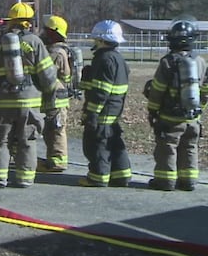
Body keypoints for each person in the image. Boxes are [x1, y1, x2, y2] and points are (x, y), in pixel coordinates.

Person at [0, 2, 57, 188]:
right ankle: (24, 178)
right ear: (28, 22)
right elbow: (48, 75)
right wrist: (47, 91)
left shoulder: (0, 43)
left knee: (1, 140)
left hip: (4, 101)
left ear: (11, 21)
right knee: (27, 140)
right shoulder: (35, 42)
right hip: (29, 101)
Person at [146, 18, 206, 191]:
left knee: (167, 148)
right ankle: (188, 181)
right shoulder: (200, 61)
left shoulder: (167, 62)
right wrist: (199, 110)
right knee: (190, 148)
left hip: (170, 118)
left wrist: (153, 110)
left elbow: (157, 90)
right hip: (193, 119)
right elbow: (205, 90)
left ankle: (165, 181)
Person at [79, 20, 132, 187]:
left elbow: (100, 91)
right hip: (115, 109)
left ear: (101, 40)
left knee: (97, 142)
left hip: (103, 110)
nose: (94, 42)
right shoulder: (118, 58)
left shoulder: (104, 59)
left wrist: (92, 113)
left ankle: (98, 177)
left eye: (96, 39)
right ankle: (121, 175)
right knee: (114, 142)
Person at [38, 15, 73, 172]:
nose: (43, 33)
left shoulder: (56, 52)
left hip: (56, 99)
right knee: (50, 131)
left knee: (56, 131)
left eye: (47, 30)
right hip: (53, 98)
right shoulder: (56, 50)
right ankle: (52, 160)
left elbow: (45, 74)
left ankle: (58, 162)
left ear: (54, 33)